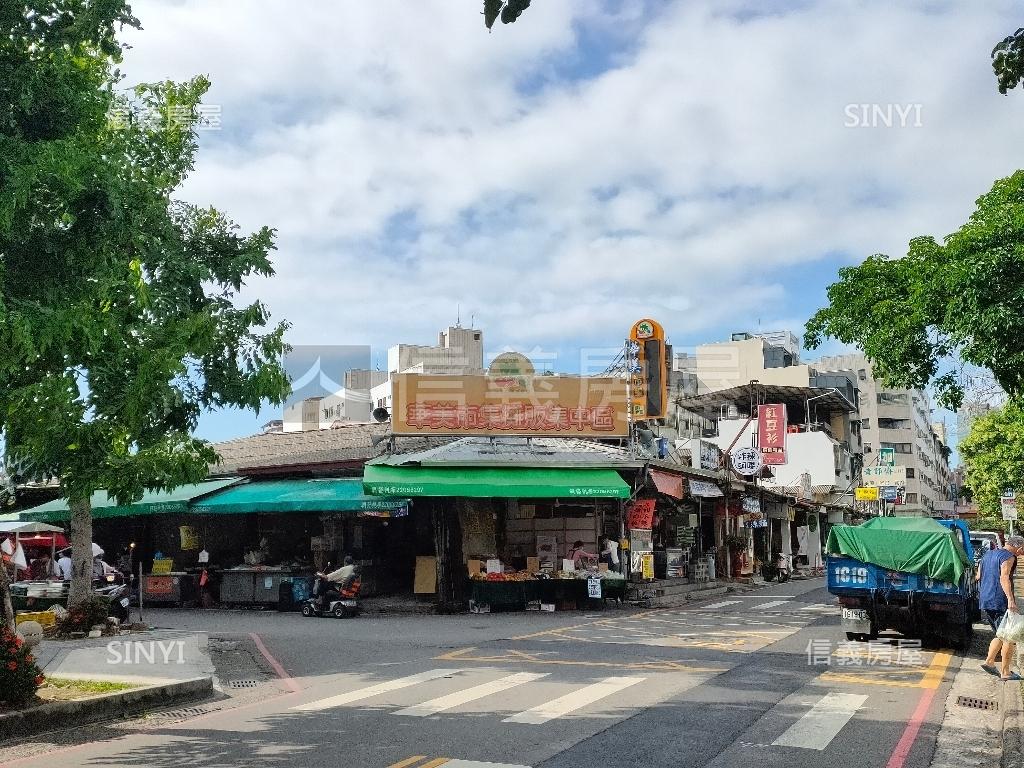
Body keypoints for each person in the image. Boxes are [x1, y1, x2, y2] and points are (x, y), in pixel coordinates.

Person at [978, 535, 1024, 681]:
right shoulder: (1009, 557)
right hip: (999, 600)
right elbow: (1004, 577)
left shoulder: (987, 554)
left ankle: (989, 662)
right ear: (1019, 547)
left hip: (986, 599)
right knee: (1009, 637)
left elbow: (978, 576)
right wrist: (1011, 599)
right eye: (1022, 551)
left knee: (1000, 633)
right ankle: (1005, 672)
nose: (1021, 553)